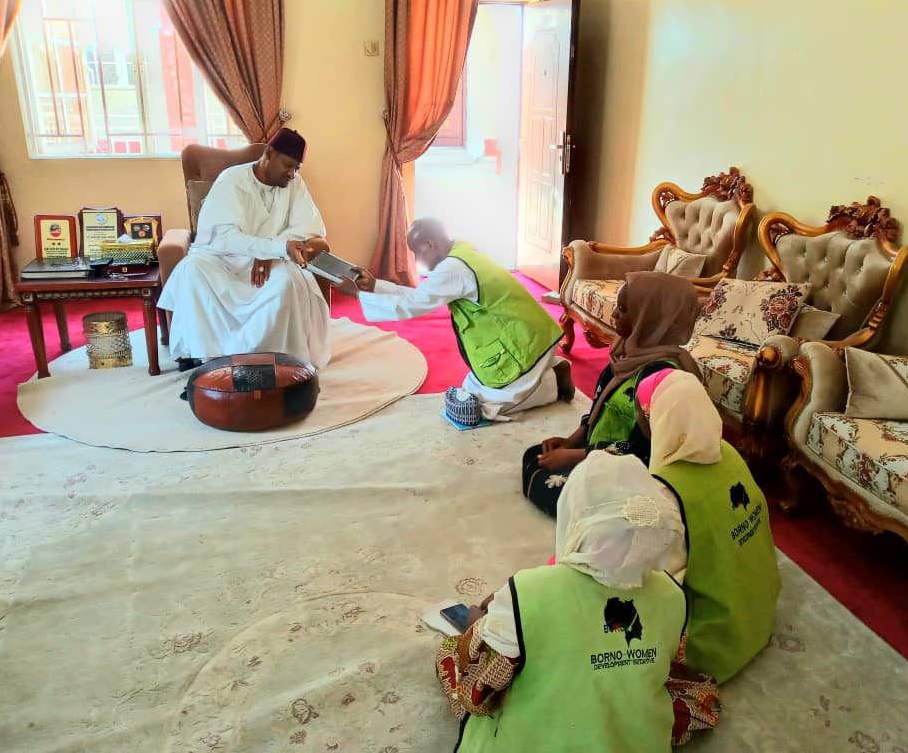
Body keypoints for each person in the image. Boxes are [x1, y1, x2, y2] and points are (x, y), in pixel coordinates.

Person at [434, 451, 719, 751]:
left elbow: (477, 695)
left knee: (452, 653)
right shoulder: (672, 595)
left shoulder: (526, 591)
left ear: (573, 514)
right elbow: (664, 666)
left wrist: (476, 627)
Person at [338, 217, 571, 421]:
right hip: (530, 333)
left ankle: (553, 380)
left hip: (523, 340)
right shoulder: (462, 251)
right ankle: (548, 368)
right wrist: (376, 286)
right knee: (469, 390)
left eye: (417, 253)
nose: (417, 260)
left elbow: (412, 305)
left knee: (485, 407)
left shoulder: (452, 269)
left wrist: (356, 294)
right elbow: (422, 295)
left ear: (430, 244)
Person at [521, 271, 702, 516]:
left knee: (556, 487)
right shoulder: (625, 356)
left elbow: (644, 449)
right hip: (596, 452)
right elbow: (600, 405)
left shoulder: (665, 380)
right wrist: (572, 441)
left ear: (649, 317)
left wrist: (577, 456)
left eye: (624, 309)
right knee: (535, 456)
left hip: (630, 468)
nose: (614, 314)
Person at [641, 368, 781, 684]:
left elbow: (658, 578)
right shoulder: (728, 452)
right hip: (758, 615)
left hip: (713, 643)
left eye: (651, 415)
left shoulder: (666, 491)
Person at [158, 128, 333, 372]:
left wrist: (270, 253)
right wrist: (271, 248)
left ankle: (272, 360)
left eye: (297, 168)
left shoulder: (295, 184)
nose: (292, 174)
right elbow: (225, 238)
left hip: (274, 262)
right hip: (225, 261)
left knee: (287, 283)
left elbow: (310, 227)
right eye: (288, 166)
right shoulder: (231, 180)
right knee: (192, 269)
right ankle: (210, 360)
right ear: (269, 154)